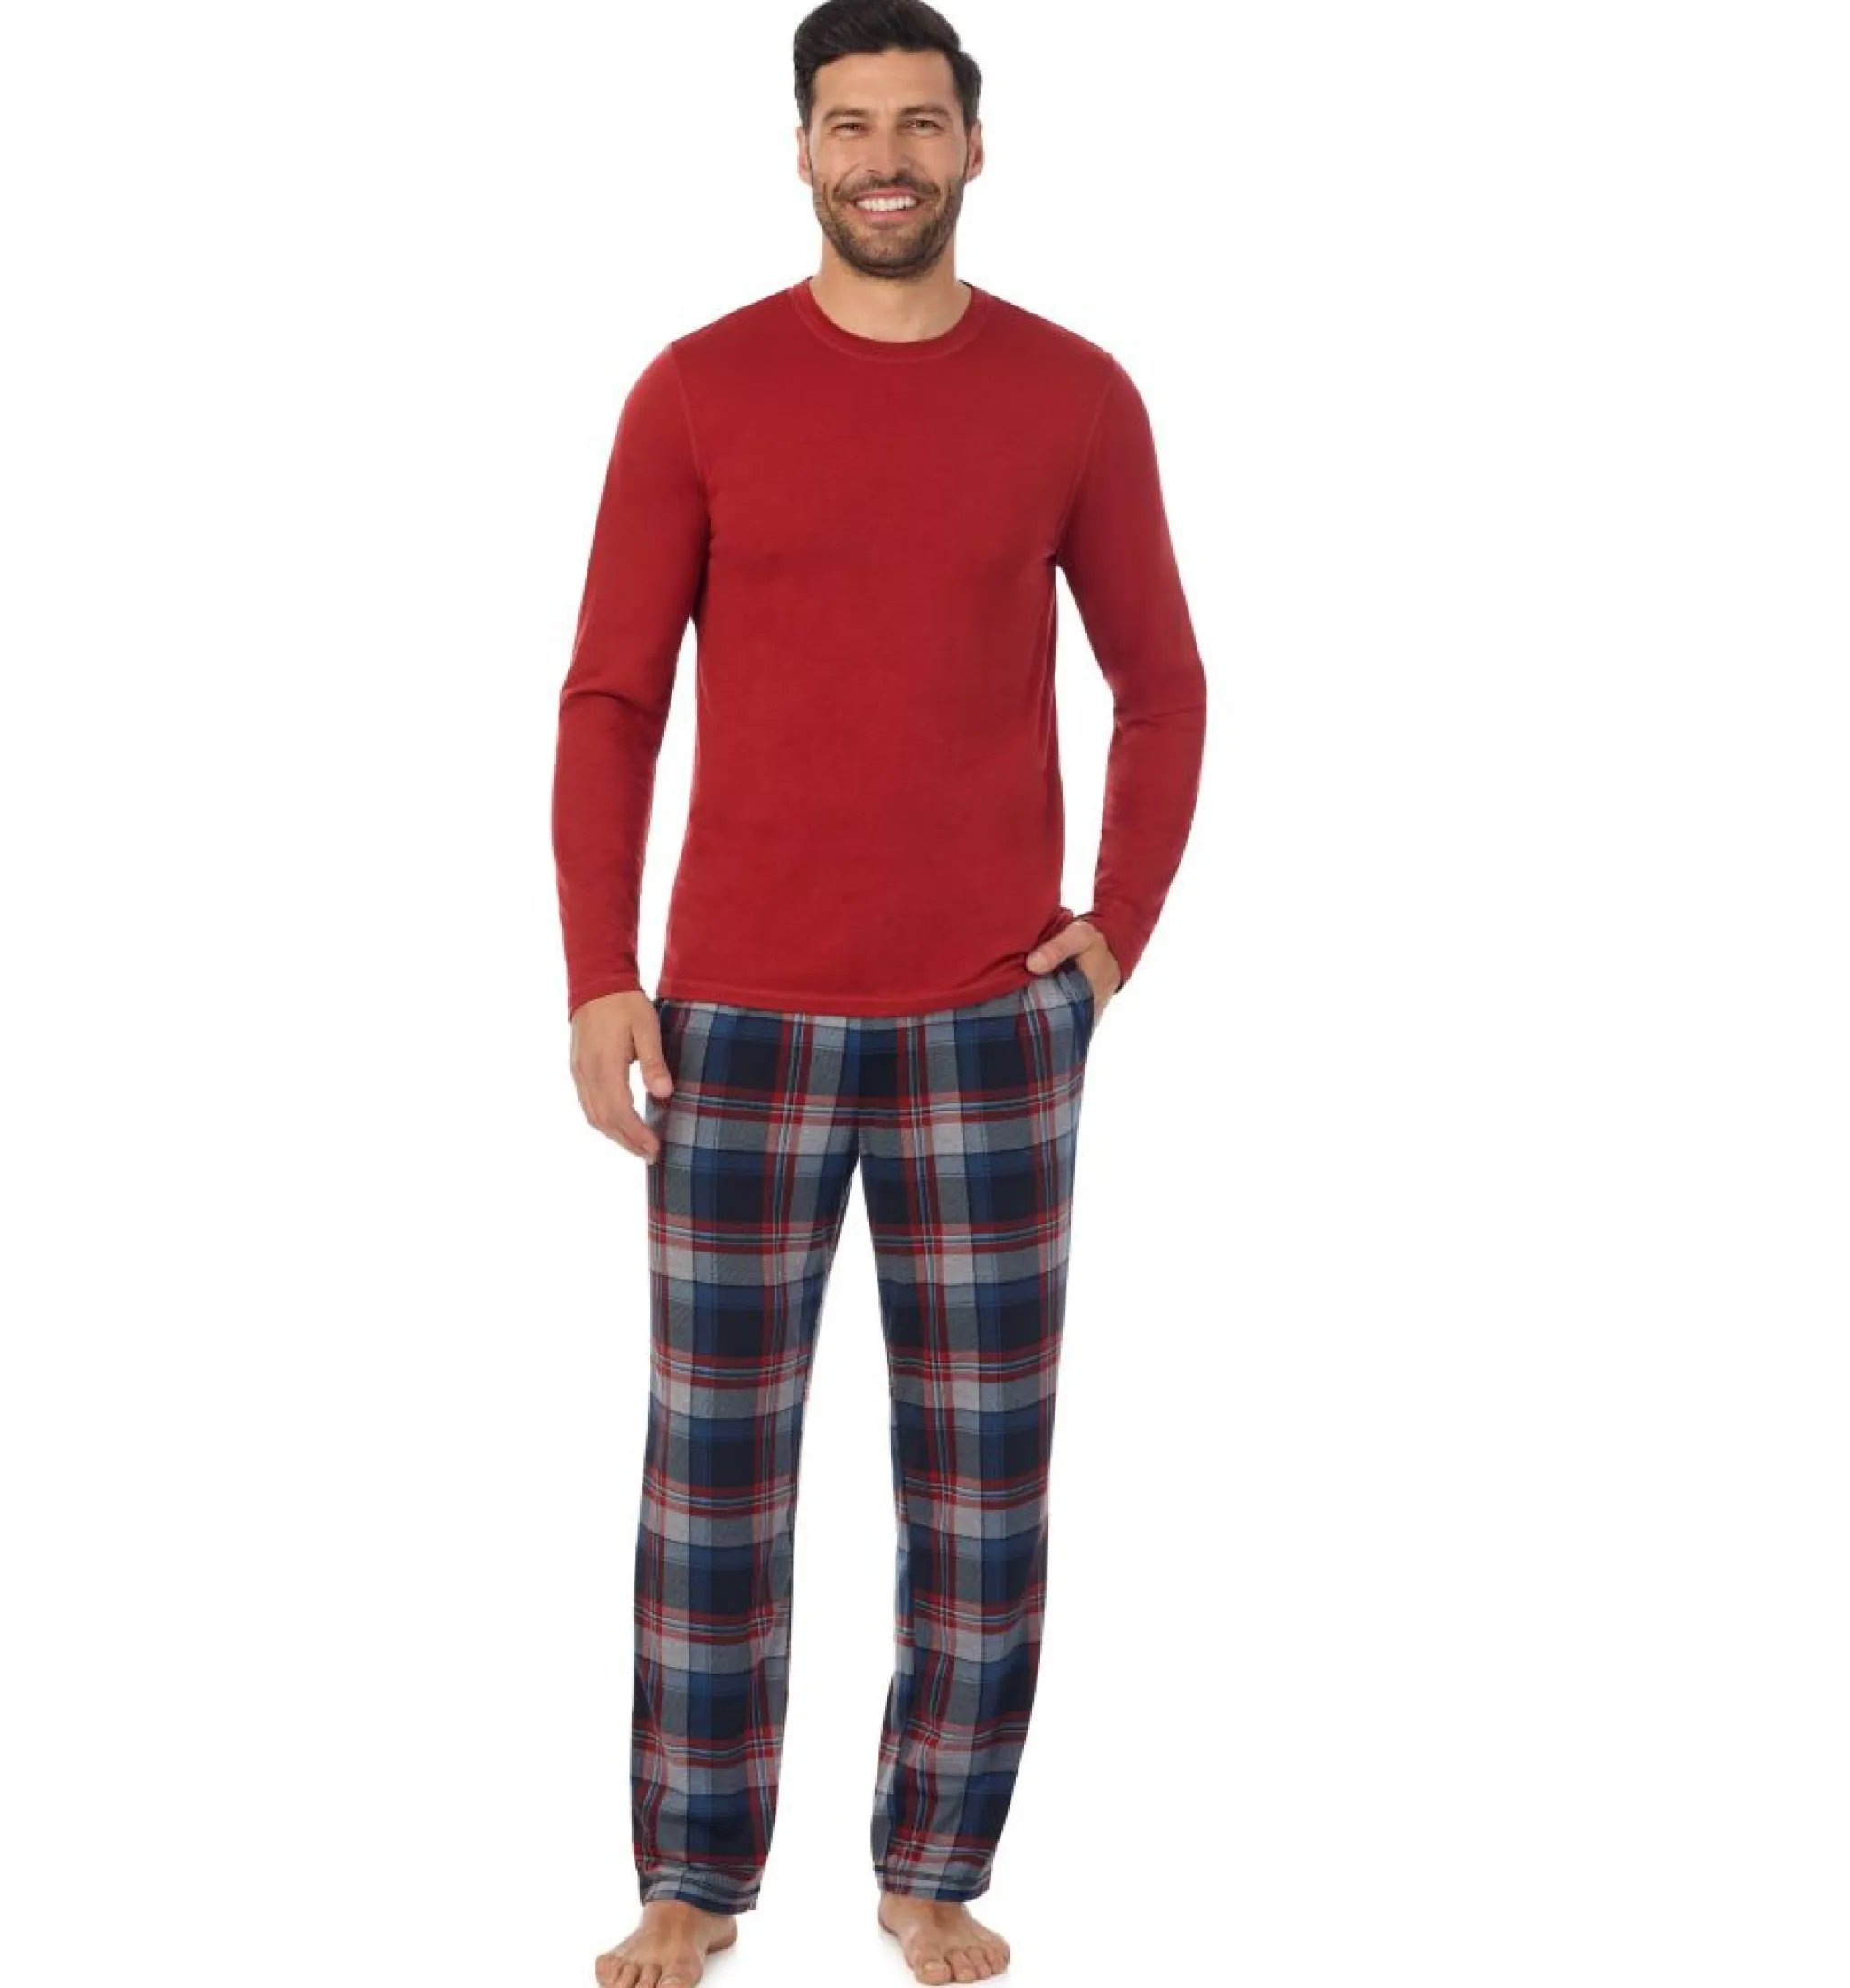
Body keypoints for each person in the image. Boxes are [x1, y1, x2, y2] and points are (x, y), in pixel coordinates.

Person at [559, 5, 1207, 1982]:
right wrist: (598, 976)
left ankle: (933, 1861)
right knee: (714, 1476)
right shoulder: (695, 389)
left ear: (975, 149)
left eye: (921, 122)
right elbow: (610, 698)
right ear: (801, 152)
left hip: (987, 1026)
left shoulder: (1074, 396)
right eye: (849, 125)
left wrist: (1114, 928)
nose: (887, 158)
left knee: (980, 1478)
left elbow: (1163, 683)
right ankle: (692, 1876)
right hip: (734, 1020)